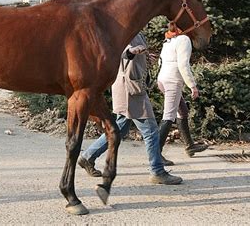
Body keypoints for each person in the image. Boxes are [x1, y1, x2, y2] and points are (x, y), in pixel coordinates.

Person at [78, 33, 182, 185]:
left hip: (131, 87)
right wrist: (131, 52)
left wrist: (146, 57)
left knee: (119, 129)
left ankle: (88, 156)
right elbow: (116, 51)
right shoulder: (124, 29)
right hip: (130, 89)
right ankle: (157, 171)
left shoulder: (137, 30)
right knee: (151, 130)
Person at [157, 25, 207, 166]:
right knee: (169, 116)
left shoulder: (168, 40)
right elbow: (183, 65)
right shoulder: (184, 39)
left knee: (183, 111)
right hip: (172, 81)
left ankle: (190, 145)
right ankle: (156, 154)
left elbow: (160, 61)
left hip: (163, 79)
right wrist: (192, 86)